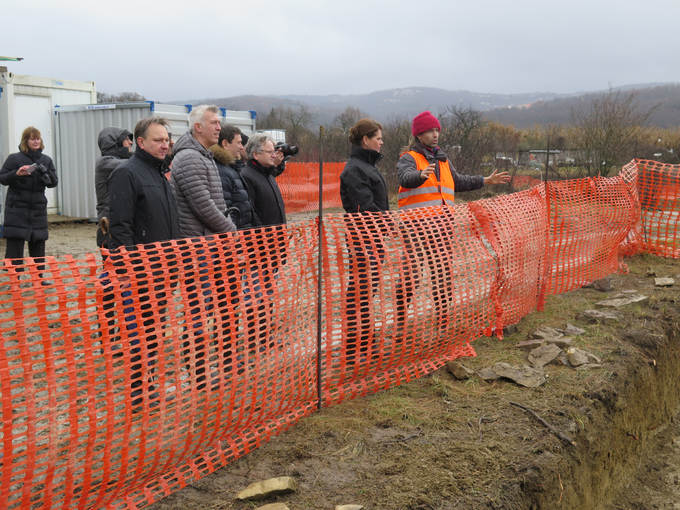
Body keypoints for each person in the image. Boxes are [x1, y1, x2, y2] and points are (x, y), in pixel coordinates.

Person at [397, 110, 510, 209]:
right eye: (430, 131)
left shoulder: (442, 159)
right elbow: (405, 178)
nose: (435, 134)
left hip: (444, 225)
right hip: (417, 227)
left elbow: (458, 181)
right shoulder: (409, 157)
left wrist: (484, 180)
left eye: (437, 130)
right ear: (419, 135)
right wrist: (420, 175)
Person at [107, 117, 180, 250]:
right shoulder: (126, 173)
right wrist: (129, 266)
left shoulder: (159, 172)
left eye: (166, 140)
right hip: (143, 265)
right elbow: (120, 228)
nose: (165, 145)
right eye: (158, 140)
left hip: (167, 262)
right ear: (141, 142)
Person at [170, 104, 237, 238]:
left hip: (206, 240)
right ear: (198, 127)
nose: (219, 128)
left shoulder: (204, 155)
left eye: (219, 123)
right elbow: (204, 206)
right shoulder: (190, 158)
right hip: (197, 245)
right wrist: (230, 230)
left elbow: (218, 203)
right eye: (214, 123)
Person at [0, 126, 58, 262]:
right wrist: (16, 174)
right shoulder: (14, 159)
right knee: (14, 250)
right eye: (32, 139)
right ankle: (15, 282)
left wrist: (46, 173)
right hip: (16, 211)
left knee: (38, 249)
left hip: (38, 211)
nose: (36, 142)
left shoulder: (46, 160)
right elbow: (2, 178)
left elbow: (53, 183)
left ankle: (39, 281)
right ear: (25, 141)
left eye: (38, 139)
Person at [95, 127, 133, 249]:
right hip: (110, 224)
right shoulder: (104, 163)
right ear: (114, 143)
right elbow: (134, 164)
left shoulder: (125, 160)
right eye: (127, 139)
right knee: (112, 265)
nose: (131, 142)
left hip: (121, 222)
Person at [209, 124, 253, 230]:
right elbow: (226, 210)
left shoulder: (230, 168)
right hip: (235, 237)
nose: (241, 147)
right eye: (238, 143)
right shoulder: (222, 172)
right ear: (225, 144)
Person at [241, 133, 287, 227]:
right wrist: (266, 236)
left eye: (273, 151)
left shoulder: (269, 174)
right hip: (265, 240)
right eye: (269, 152)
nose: (274, 156)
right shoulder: (246, 176)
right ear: (256, 155)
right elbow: (251, 214)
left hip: (278, 237)